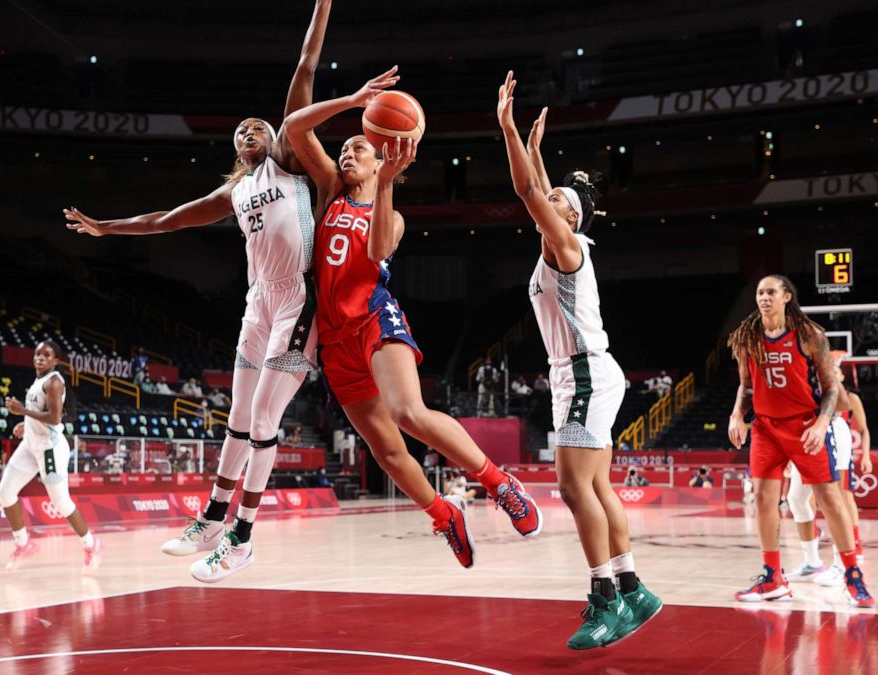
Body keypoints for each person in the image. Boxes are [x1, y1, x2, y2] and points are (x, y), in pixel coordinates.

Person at [66, 1, 333, 582]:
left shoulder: (287, 164)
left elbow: (304, 70)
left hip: (297, 300)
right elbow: (166, 219)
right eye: (243, 130)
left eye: (259, 125)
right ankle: (213, 517)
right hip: (257, 302)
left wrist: (322, 7)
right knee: (238, 414)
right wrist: (107, 226)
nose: (252, 130)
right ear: (235, 149)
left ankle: (242, 536)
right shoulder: (233, 195)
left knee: (264, 417)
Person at [283, 66, 542, 569]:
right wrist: (354, 100)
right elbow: (295, 127)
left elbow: (379, 246)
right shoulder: (330, 190)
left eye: (360, 147)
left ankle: (498, 483)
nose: (348, 151)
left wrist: (385, 184)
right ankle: (444, 513)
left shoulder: (392, 213)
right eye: (347, 146)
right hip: (333, 342)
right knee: (385, 450)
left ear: (383, 160)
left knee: (408, 413)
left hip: (376, 320)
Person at [497, 72, 661, 650]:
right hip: (584, 371)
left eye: (559, 202)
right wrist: (539, 151)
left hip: (585, 372)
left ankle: (605, 599)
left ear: (570, 219)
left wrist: (508, 130)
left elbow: (528, 193)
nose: (550, 200)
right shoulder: (564, 240)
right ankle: (634, 587)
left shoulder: (565, 244)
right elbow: (543, 191)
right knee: (598, 488)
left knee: (572, 488)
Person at [727, 274, 872, 607]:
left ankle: (852, 575)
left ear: (787, 297)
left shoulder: (809, 335)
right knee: (765, 498)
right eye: (760, 292)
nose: (764, 297)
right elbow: (746, 387)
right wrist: (737, 415)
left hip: (805, 426)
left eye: (771, 292)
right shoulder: (748, 338)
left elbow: (831, 388)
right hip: (765, 427)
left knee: (829, 498)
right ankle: (772, 576)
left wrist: (822, 424)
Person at [0, 340, 104, 573]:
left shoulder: (54, 381)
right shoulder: (38, 381)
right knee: (4, 493)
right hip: (30, 445)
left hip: (50, 449)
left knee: (61, 503)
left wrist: (22, 411)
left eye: (47, 355)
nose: (40, 358)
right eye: (37, 354)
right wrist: (26, 424)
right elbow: (42, 414)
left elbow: (55, 418)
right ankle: (23, 545)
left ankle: (92, 545)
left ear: (55, 361)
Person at [810, 358, 870, 587]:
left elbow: (864, 431)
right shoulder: (820, 397)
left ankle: (853, 547)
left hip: (843, 449)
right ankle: (822, 545)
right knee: (821, 500)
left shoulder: (851, 399)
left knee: (844, 497)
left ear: (842, 376)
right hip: (825, 447)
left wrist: (864, 455)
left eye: (836, 370)